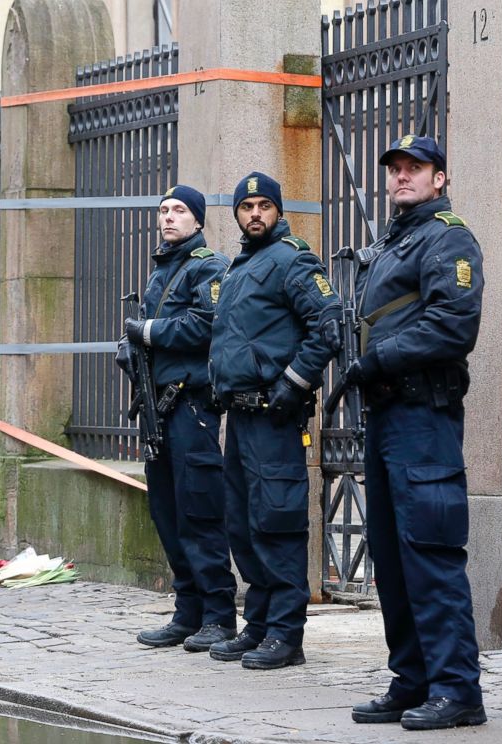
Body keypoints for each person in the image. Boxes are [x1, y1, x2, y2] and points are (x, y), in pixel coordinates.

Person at [345, 135, 486, 730]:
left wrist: (380, 358)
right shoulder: (392, 241)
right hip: (386, 417)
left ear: (440, 177)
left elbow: (454, 324)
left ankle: (458, 691)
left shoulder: (447, 237)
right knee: (392, 556)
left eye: (415, 168)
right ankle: (412, 680)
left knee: (429, 553)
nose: (402, 177)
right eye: (395, 168)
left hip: (423, 418)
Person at [208, 172, 341, 669]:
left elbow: (328, 323)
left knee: (277, 522)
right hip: (240, 419)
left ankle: (287, 635)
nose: (256, 213)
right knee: (242, 525)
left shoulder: (292, 259)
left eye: (265, 205)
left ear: (278, 211)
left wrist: (294, 383)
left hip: (275, 415)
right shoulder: (241, 266)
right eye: (247, 206)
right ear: (238, 215)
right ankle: (259, 624)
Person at [117, 184, 238, 652]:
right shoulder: (161, 269)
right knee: (167, 512)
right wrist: (131, 349)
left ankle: (219, 616)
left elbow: (207, 325)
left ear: (198, 221)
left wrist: (147, 332)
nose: (169, 217)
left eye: (180, 211)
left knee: (199, 511)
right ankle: (188, 611)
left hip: (191, 407)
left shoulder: (208, 266)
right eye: (164, 210)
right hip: (159, 409)